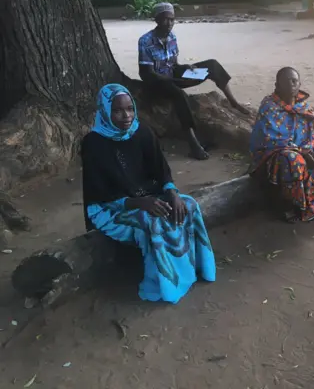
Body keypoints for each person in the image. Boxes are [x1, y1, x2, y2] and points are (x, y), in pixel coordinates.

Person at [81, 84, 216, 303]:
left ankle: (195, 269)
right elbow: (99, 193)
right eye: (117, 110)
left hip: (148, 195)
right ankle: (165, 282)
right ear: (105, 111)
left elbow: (161, 171)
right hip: (111, 207)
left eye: (130, 109)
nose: (126, 116)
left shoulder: (142, 132)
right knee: (152, 221)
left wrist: (172, 192)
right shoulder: (93, 144)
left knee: (188, 205)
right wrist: (138, 203)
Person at [138, 2, 249, 161]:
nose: (169, 23)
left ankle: (233, 102)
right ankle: (193, 143)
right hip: (156, 82)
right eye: (165, 20)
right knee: (178, 94)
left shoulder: (172, 37)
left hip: (172, 75)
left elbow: (174, 65)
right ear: (157, 20)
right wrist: (171, 79)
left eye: (172, 19)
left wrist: (186, 68)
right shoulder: (145, 41)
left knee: (212, 65)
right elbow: (146, 73)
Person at [249, 67, 314, 222]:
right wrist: (301, 152)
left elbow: (311, 134)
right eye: (287, 82)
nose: (291, 84)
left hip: (306, 148)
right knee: (293, 159)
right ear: (277, 85)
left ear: (299, 84)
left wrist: (309, 148)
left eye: (294, 81)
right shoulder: (269, 107)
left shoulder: (302, 106)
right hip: (274, 155)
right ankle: (292, 207)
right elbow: (268, 140)